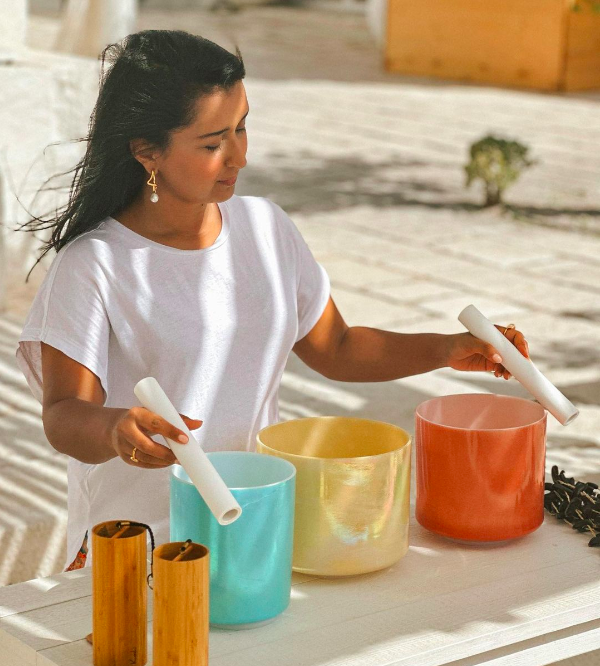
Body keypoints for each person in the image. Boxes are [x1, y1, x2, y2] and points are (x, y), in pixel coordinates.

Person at [16, 30, 529, 571]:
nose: (240, 154)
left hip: (251, 532)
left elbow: (337, 346)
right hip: (140, 547)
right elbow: (64, 414)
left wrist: (448, 349)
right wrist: (114, 429)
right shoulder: (94, 264)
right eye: (213, 143)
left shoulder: (265, 229)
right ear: (148, 153)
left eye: (242, 126)